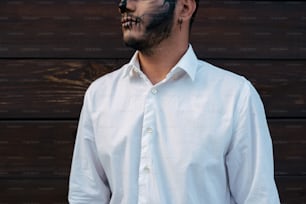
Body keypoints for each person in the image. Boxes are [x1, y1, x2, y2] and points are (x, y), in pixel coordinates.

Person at [68, 0, 280, 203]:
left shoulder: (234, 97)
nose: (125, 5)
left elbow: (258, 198)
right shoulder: (100, 96)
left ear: (185, 7)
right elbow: (86, 196)